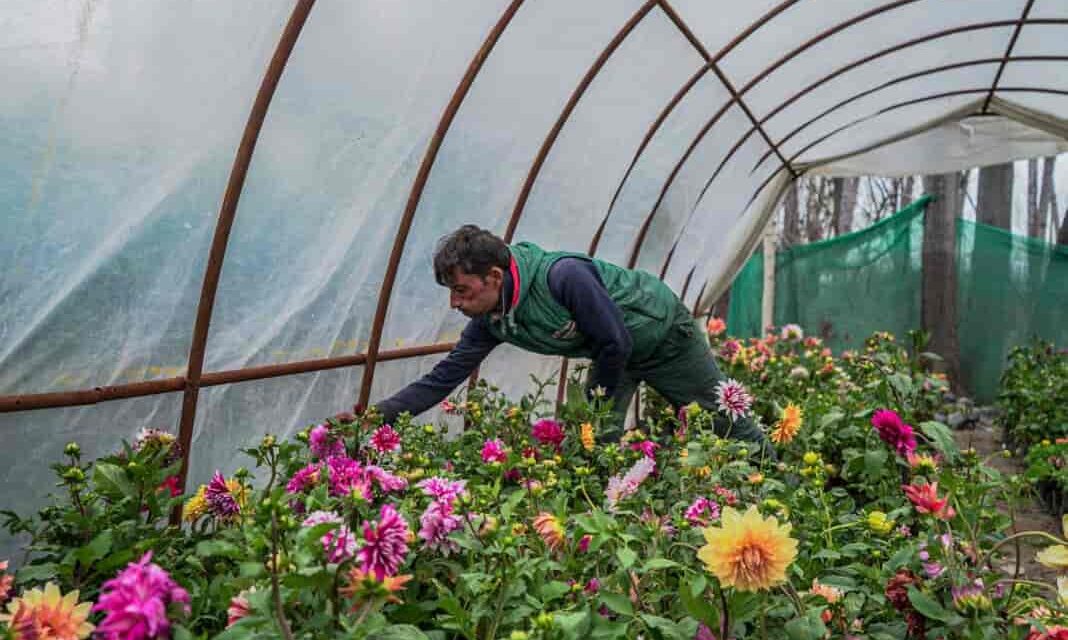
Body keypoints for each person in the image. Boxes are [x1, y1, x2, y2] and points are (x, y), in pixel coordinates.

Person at [373, 225, 769, 451]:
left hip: (663, 336)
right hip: (616, 351)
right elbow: (444, 377)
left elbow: (614, 341)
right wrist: (378, 415)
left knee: (727, 421)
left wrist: (592, 409)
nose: (454, 303)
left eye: (461, 290)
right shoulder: (492, 319)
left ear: (493, 276)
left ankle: (782, 485)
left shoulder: (562, 276)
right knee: (591, 447)